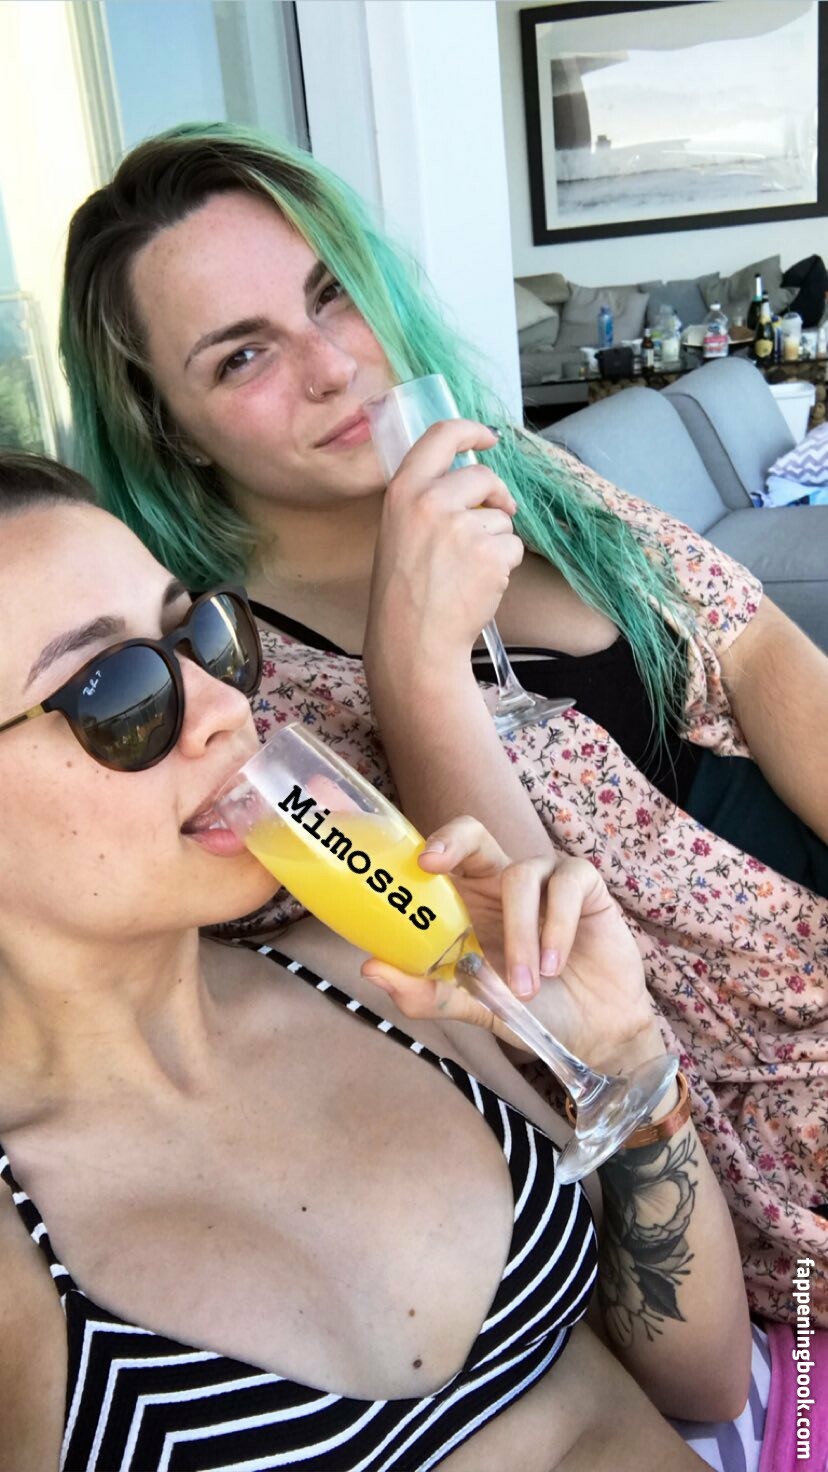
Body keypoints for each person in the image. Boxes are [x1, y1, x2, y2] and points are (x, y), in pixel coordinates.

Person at [59, 124, 828, 1323]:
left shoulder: (515, 472)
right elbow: (533, 976)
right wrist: (415, 665)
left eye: (332, 293)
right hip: (754, 1125)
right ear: (170, 428)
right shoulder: (235, 694)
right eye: (243, 354)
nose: (332, 365)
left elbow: (753, 638)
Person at [0, 451, 767, 1472]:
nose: (226, 707)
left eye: (202, 637)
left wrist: (625, 1061)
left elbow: (706, 1383)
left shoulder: (382, 969)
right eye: (118, 693)